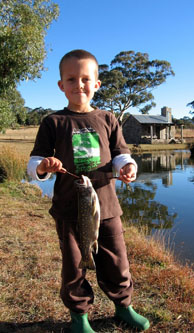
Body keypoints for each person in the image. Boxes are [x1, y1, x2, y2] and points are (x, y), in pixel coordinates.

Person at [27, 49, 150, 333]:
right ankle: (79, 316)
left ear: (96, 84)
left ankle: (123, 307)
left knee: (117, 261)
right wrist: (44, 166)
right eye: (71, 79)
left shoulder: (108, 118)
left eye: (86, 79)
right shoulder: (53, 122)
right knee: (74, 265)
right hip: (69, 211)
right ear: (61, 85)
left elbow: (121, 154)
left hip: (107, 208)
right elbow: (34, 163)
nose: (79, 85)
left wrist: (128, 167)